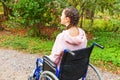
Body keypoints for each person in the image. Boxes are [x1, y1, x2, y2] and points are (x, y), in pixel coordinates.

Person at [30, 6, 87, 80]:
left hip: (62, 73)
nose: (60, 17)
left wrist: (46, 58)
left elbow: (54, 59)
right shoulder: (82, 34)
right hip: (77, 70)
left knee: (40, 62)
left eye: (62, 15)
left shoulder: (62, 37)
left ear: (67, 19)